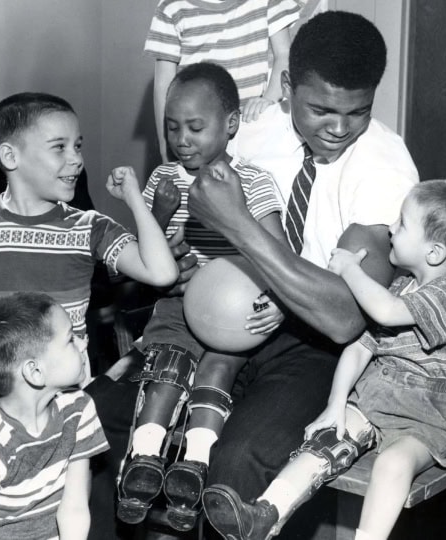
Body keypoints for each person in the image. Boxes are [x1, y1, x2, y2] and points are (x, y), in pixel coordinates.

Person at [176, 9, 419, 535]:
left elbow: (344, 318)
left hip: (322, 348)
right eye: (321, 109)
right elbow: (195, 203)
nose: (338, 128)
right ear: (286, 86)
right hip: (230, 316)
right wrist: (181, 254)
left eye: (357, 112)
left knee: (236, 462)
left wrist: (241, 226)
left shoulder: (383, 165)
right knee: (127, 418)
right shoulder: (254, 133)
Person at [201, 179, 446, 540]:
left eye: (401, 224)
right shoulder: (403, 286)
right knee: (324, 443)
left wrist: (349, 269)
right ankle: (265, 513)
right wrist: (336, 405)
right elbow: (359, 348)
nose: (390, 229)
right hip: (376, 394)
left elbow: (385, 312)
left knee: (393, 463)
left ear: (433, 253)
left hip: (429, 415)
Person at [0, 92, 179, 442]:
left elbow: (162, 273)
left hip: (64, 402)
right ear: (10, 156)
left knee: (60, 493)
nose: (76, 159)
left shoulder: (90, 227)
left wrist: (134, 200)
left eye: (78, 146)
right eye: (59, 147)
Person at [113, 62, 286, 532]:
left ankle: (195, 462)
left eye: (195, 127)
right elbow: (148, 256)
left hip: (234, 311)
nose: (182, 139)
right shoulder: (164, 179)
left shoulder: (253, 180)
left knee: (216, 368)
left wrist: (272, 297)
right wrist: (161, 210)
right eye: (172, 128)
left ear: (230, 125)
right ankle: (144, 459)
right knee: (167, 362)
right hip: (178, 302)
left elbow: (275, 253)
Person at [0, 292, 110, 540]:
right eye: (70, 340)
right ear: (34, 372)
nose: (83, 343)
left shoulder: (78, 408)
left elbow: (74, 509)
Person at [144, 0, 301, 161]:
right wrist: (166, 152)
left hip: (251, 124)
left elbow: (284, 55)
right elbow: (163, 86)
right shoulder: (171, 7)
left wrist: (269, 99)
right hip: (197, 133)